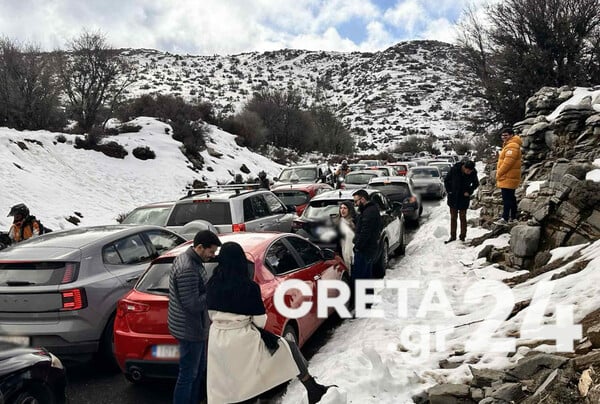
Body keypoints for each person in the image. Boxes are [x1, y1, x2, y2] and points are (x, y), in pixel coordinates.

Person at [206, 242, 334, 404]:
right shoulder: (249, 287)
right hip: (243, 338)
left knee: (227, 385)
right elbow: (260, 321)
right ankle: (312, 388)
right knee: (287, 348)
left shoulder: (211, 284)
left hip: (217, 339)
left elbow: (210, 313)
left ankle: (313, 388)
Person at [168, 230, 221, 404]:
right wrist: (212, 291)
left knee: (196, 371)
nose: (212, 256)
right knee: (188, 375)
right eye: (211, 251)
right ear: (199, 247)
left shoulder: (190, 259)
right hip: (190, 329)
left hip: (191, 326)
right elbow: (193, 304)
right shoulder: (188, 268)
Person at [443, 160, 479, 243]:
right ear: (464, 167)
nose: (469, 172)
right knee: (453, 217)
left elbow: (476, 183)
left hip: (464, 197)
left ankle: (462, 237)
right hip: (453, 196)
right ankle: (453, 236)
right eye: (468, 171)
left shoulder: (473, 172)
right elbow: (446, 180)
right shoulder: (455, 169)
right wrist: (450, 191)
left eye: (470, 171)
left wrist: (469, 191)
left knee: (463, 217)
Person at [352, 190, 382, 283]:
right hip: (368, 249)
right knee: (366, 276)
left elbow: (365, 232)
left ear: (363, 199)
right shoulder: (370, 210)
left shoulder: (369, 212)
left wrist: (357, 246)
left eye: (356, 201)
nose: (355, 204)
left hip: (365, 250)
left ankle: (364, 297)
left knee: (362, 277)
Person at [495, 127, 522, 225]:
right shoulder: (510, 145)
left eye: (506, 135)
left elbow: (508, 163)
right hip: (510, 176)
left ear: (511, 135)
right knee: (511, 198)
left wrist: (499, 173)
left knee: (507, 198)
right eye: (502, 135)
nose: (503, 137)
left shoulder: (512, 146)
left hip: (508, 176)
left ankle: (505, 218)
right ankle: (513, 217)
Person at [337, 200, 356, 271]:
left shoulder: (355, 222)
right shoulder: (339, 223)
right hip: (343, 253)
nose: (342, 210)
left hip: (354, 253)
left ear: (350, 210)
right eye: (341, 208)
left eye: (345, 208)